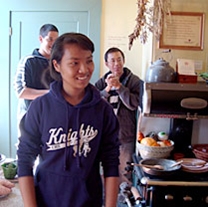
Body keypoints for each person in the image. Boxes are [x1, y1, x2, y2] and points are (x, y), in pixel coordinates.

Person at [17, 32, 120, 207]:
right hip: (46, 200)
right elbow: (25, 160)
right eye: (74, 63)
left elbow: (111, 163)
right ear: (57, 65)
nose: (84, 69)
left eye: (89, 60)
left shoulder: (103, 111)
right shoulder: (41, 107)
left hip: (89, 201)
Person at [95, 47, 142, 184]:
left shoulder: (134, 81)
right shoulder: (102, 82)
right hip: (105, 136)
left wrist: (120, 88)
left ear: (124, 61)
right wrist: (107, 89)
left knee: (124, 173)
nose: (117, 64)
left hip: (125, 136)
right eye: (113, 60)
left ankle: (123, 202)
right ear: (107, 64)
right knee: (105, 173)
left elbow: (135, 104)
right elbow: (93, 104)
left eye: (119, 60)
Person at [14, 23, 59, 123]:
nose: (53, 44)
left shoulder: (58, 63)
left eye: (56, 41)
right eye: (50, 39)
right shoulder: (28, 61)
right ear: (41, 39)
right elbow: (21, 92)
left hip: (53, 119)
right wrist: (51, 93)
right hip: (29, 120)